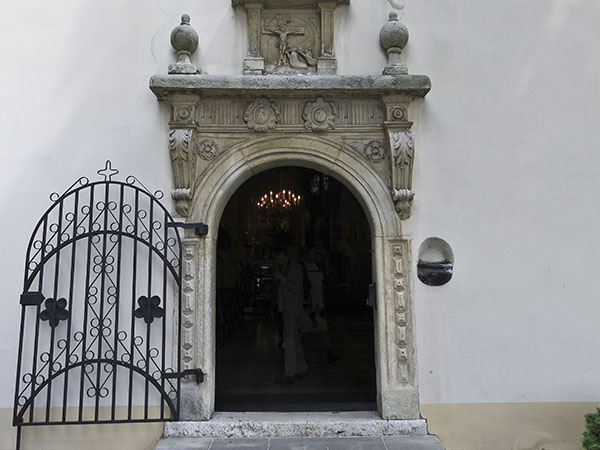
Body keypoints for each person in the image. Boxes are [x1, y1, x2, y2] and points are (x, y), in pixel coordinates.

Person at [273, 247, 308, 384]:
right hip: (287, 306)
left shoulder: (295, 268)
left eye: (278, 256)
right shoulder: (285, 267)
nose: (276, 259)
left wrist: (282, 278)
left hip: (292, 307)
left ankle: (290, 372)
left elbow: (296, 287)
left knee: (289, 340)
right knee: (294, 339)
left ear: (284, 255)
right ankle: (301, 368)